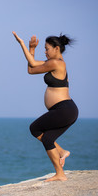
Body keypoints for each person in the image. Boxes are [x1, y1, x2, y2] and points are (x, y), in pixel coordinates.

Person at [12, 31, 78, 182]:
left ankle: (60, 172)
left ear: (56, 48)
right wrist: (32, 50)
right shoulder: (53, 63)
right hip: (63, 110)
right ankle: (61, 156)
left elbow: (34, 63)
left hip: (64, 109)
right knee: (47, 138)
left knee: (35, 128)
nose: (45, 51)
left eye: (47, 48)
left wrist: (22, 44)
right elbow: (31, 70)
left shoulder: (57, 63)